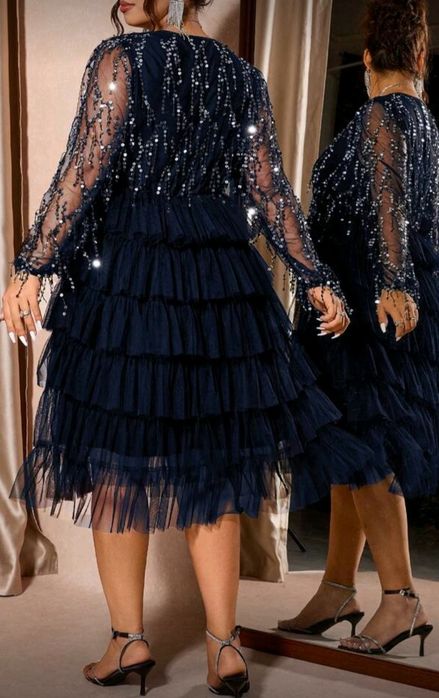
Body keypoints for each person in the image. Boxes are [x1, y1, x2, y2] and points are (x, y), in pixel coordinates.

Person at [2, 1, 370, 694]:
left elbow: (85, 168)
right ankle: (223, 648)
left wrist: (32, 265)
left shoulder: (121, 58)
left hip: (133, 282)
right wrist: (315, 276)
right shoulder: (241, 75)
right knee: (214, 469)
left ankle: (127, 643)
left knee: (117, 463)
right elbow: (269, 190)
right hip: (219, 287)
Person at [279, 0, 436, 657]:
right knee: (350, 446)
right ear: (420, 56)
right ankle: (338, 589)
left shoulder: (382, 115)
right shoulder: (422, 118)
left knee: (366, 444)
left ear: (368, 58)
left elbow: (389, 200)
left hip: (367, 306)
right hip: (373, 298)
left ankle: (400, 598)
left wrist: (392, 281)